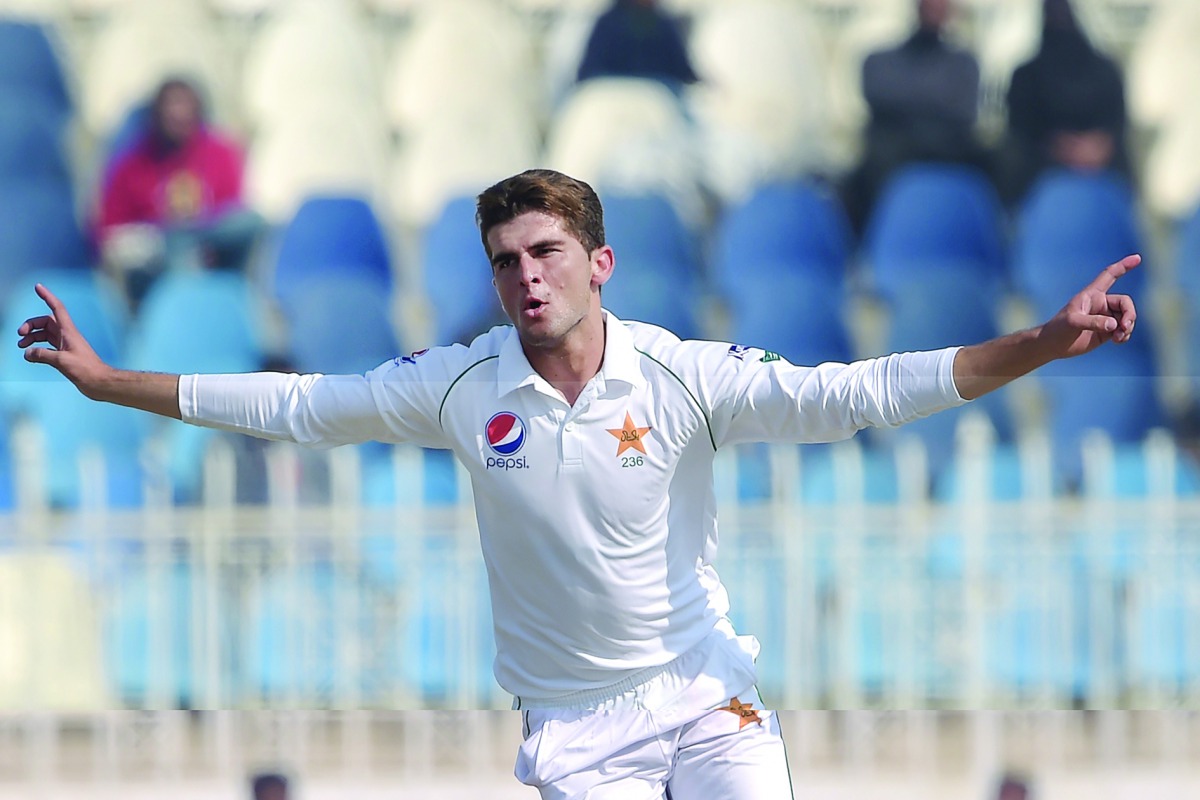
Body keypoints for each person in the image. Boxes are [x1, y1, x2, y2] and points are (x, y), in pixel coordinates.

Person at [18, 169, 1140, 799]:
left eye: (546, 251)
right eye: (506, 259)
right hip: (572, 723)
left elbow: (862, 390)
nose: (526, 275)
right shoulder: (460, 383)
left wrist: (1041, 341)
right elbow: (301, 405)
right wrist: (115, 384)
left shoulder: (687, 374)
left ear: (599, 262)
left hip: (705, 694)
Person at [95, 77, 262, 306]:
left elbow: (232, 208)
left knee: (252, 223)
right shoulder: (132, 163)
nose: (179, 116)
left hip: (209, 237)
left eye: (185, 108)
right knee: (179, 251)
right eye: (171, 108)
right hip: (158, 248)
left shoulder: (220, 153)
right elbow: (110, 229)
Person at [842, 0, 987, 232]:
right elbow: (877, 95)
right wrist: (938, 99)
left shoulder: (964, 63)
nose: (936, 11)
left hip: (949, 153)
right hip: (893, 154)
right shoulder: (880, 61)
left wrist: (910, 101)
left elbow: (965, 111)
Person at [999, 0, 1131, 204]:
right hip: (1042, 173)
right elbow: (1020, 129)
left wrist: (1097, 147)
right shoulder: (1026, 77)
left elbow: (1117, 122)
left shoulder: (1105, 71)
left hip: (1105, 170)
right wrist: (1062, 148)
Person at [576, 0, 698, 91]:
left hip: (659, 101)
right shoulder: (608, 24)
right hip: (613, 98)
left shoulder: (664, 25)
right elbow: (589, 70)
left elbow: (683, 70)